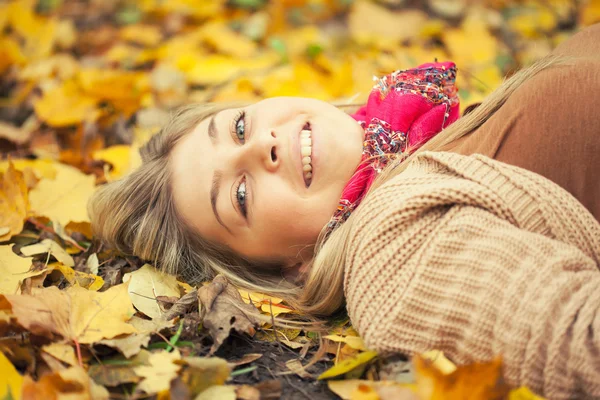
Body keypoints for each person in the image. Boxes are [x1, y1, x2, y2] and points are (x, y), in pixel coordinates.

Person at [88, 24, 600, 398]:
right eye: (240, 196)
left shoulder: (416, 141)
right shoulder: (391, 253)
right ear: (292, 266)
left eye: (240, 128)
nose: (260, 146)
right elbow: (580, 347)